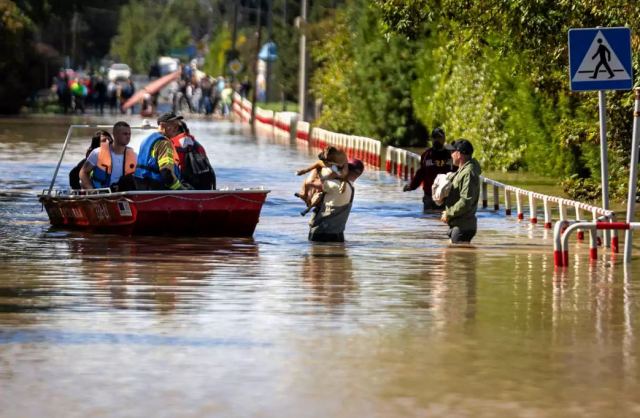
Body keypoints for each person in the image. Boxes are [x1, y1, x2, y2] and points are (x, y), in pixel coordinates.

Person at [308, 158, 364, 242]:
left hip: (321, 233)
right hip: (338, 236)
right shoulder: (351, 189)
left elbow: (311, 182)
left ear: (346, 169)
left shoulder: (335, 185)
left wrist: (317, 167)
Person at [134, 112, 189, 190]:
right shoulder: (164, 144)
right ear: (163, 126)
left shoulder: (146, 140)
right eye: (174, 125)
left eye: (177, 126)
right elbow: (166, 173)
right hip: (156, 189)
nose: (177, 128)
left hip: (141, 186)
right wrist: (181, 189)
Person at [440, 139, 482, 244]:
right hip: (459, 225)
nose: (451, 155)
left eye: (452, 152)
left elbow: (465, 201)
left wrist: (448, 213)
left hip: (463, 227)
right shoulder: (463, 170)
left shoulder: (468, 173)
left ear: (459, 154)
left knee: (458, 259)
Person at [403, 127, 454, 211]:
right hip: (429, 197)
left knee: (443, 222)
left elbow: (457, 171)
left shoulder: (451, 154)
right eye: (434, 137)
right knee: (429, 219)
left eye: (439, 137)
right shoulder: (426, 155)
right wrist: (412, 186)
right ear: (431, 139)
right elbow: (421, 173)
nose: (437, 140)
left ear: (444, 138)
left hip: (447, 197)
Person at [79, 122, 137, 191]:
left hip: (124, 194)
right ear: (115, 135)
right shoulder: (97, 152)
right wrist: (91, 190)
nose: (128, 137)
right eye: (125, 134)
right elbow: (83, 172)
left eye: (129, 134)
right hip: (100, 194)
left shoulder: (134, 155)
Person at [296, 146, 349, 216]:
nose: (321, 155)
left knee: (311, 183)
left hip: (330, 178)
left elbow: (344, 175)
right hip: (329, 174)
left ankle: (308, 201)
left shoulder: (341, 166)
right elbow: (319, 163)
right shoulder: (333, 161)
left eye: (324, 153)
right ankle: (305, 195)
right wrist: (305, 170)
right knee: (312, 178)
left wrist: (343, 183)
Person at [169, 120, 216, 190]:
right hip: (206, 183)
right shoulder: (198, 145)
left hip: (186, 184)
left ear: (175, 130)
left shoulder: (172, 144)